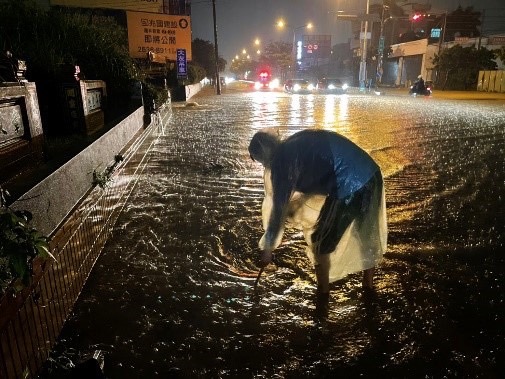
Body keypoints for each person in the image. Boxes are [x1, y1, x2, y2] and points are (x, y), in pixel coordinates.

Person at [248, 129, 387, 314]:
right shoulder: (293, 144)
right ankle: (368, 286)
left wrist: (267, 249)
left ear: (263, 156)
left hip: (350, 185)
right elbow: (320, 171)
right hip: (372, 173)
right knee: (365, 234)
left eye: (259, 161)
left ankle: (323, 295)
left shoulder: (282, 165)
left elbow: (277, 212)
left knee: (321, 242)